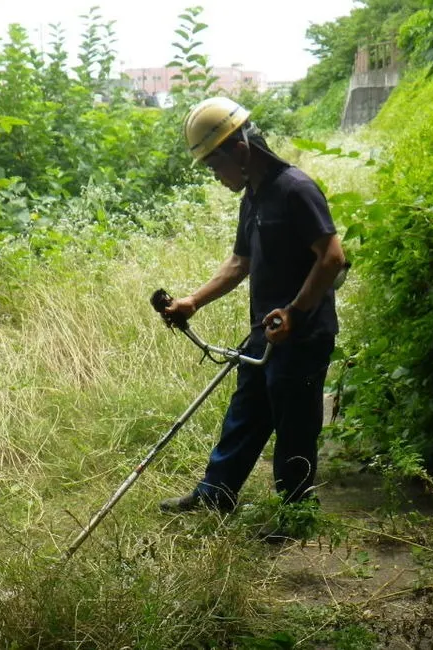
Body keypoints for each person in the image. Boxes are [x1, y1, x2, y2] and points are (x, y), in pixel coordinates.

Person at [159, 97, 347, 521]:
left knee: (295, 427)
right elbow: (240, 263)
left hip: (303, 333)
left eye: (214, 165)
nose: (215, 175)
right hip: (267, 330)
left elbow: (332, 257)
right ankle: (216, 493)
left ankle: (297, 513)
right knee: (246, 411)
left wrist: (295, 313)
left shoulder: (296, 189)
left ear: (240, 151)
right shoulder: (255, 197)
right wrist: (193, 301)